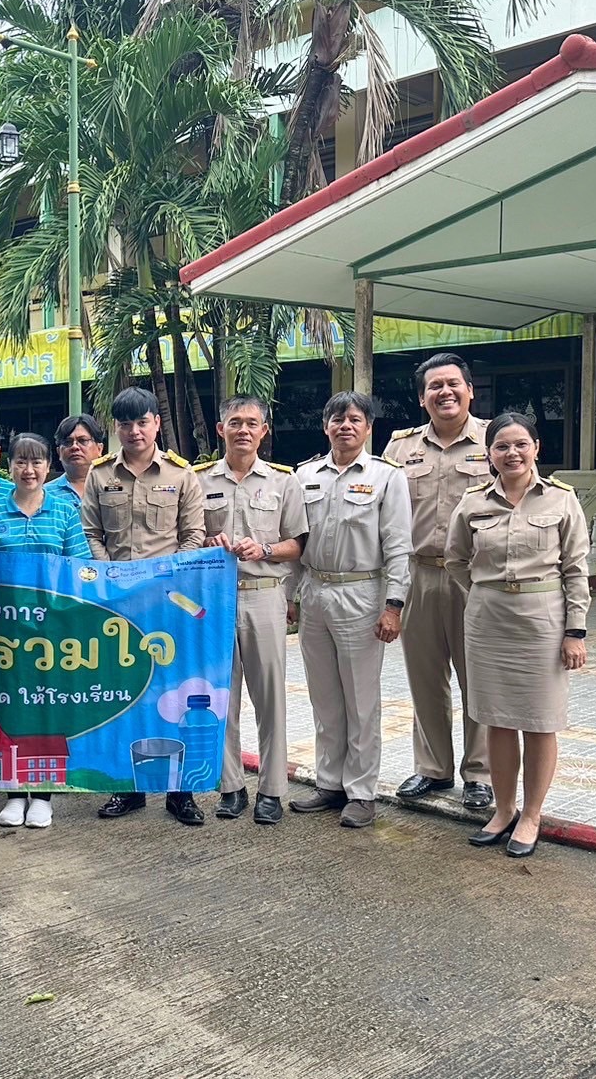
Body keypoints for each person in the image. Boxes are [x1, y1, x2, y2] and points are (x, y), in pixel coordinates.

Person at [446, 412, 590, 859]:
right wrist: (487, 595)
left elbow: (575, 569)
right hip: (489, 621)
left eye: (520, 444)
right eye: (502, 446)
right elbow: (455, 560)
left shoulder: (562, 500)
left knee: (541, 722)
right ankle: (504, 810)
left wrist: (575, 632)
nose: (512, 453)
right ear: (489, 454)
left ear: (536, 448)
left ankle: (531, 815)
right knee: (498, 719)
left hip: (543, 622)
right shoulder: (472, 503)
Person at [82, 387, 207, 826]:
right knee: (122, 694)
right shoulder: (100, 475)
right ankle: (126, 788)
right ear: (116, 428)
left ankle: (181, 793)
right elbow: (91, 533)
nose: (134, 431)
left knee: (175, 695)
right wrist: (112, 577)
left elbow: (194, 535)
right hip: (117, 605)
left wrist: (163, 578)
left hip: (168, 604)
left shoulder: (181, 475)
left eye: (142, 422)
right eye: (125, 424)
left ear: (156, 422)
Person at [289, 392, 412, 830]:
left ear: (367, 427)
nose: (345, 426)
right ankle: (330, 783)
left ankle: (361, 792)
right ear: (326, 426)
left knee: (361, 700)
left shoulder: (386, 478)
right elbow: (294, 542)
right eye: (337, 419)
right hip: (315, 592)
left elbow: (399, 546)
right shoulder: (304, 475)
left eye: (355, 419)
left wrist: (393, 606)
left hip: (363, 594)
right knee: (324, 697)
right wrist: (290, 596)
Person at [383, 353, 493, 811]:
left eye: (453, 384)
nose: (444, 392)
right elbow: (383, 518)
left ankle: (480, 774)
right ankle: (433, 768)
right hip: (420, 575)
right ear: (422, 398)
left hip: (477, 580)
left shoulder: (496, 440)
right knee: (426, 678)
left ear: (470, 389)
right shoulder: (399, 449)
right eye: (434, 387)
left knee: (478, 679)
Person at [196, 397, 308, 825]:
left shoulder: (284, 482)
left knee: (270, 698)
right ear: (220, 428)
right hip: (215, 599)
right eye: (235, 422)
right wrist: (208, 544)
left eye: (252, 423)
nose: (243, 429)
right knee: (220, 697)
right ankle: (231, 787)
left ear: (265, 431)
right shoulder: (199, 479)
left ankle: (272, 790)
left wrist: (264, 548)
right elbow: (189, 537)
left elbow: (298, 544)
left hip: (264, 594)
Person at [0, 432, 91, 830]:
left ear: (48, 467)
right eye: (22, 462)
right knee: (5, 708)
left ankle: (42, 795)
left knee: (45, 708)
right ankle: (12, 793)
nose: (29, 470)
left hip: (51, 633)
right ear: (10, 466)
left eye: (37, 462)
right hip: (1, 633)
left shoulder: (64, 512)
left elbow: (81, 570)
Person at [47, 414, 106, 508]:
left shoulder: (113, 488)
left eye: (82, 440)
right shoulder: (44, 494)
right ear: (59, 452)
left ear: (99, 449)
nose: (75, 447)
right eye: (68, 442)